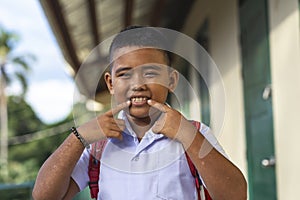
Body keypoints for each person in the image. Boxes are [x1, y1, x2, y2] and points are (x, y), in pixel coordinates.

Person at [32, 26, 247, 200]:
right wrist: (78, 137)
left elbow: (236, 195)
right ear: (111, 83)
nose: (138, 85)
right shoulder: (98, 147)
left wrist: (186, 134)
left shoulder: (194, 133)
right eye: (125, 74)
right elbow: (44, 196)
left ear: (171, 80)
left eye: (151, 72)